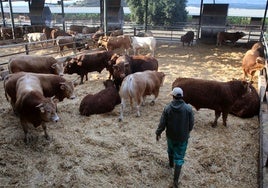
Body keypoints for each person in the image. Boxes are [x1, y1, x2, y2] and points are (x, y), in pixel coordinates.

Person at [155, 87, 194, 188]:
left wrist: (158, 132)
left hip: (170, 136)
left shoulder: (167, 108)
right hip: (182, 138)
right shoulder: (188, 109)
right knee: (179, 157)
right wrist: (187, 132)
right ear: (181, 96)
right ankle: (175, 181)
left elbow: (162, 123)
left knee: (170, 150)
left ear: (173, 96)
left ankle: (171, 165)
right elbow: (191, 124)